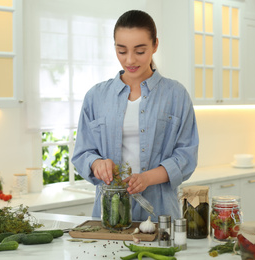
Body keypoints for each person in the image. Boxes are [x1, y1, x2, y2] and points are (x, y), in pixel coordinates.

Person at [71, 10, 199, 222]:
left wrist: (148, 178)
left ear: (155, 45)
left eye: (140, 51)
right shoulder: (96, 97)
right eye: (122, 51)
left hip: (160, 213)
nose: (130, 60)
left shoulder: (176, 95)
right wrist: (97, 164)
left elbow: (187, 156)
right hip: (108, 214)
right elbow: (82, 153)